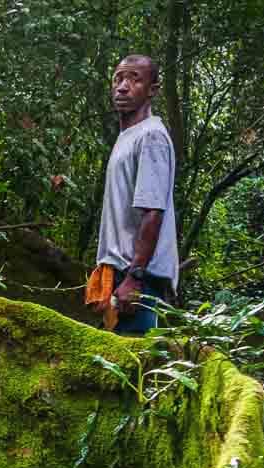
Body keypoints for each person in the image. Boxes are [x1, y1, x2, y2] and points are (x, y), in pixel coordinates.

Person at [86, 54, 180, 335]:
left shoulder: (151, 137)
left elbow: (153, 212)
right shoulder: (128, 137)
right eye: (118, 78)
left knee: (133, 362)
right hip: (121, 273)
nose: (123, 86)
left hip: (139, 276)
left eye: (134, 79)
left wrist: (134, 278)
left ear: (152, 89)